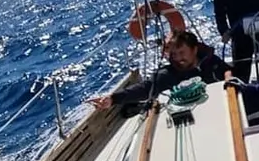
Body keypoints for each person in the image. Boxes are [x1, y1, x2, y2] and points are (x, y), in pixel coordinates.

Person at [90, 30, 229, 114]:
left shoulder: (211, 61)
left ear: (194, 50)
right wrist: (113, 99)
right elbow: (145, 88)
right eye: (174, 54)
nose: (178, 58)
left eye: (182, 53)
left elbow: (228, 72)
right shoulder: (167, 75)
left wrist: (230, 81)